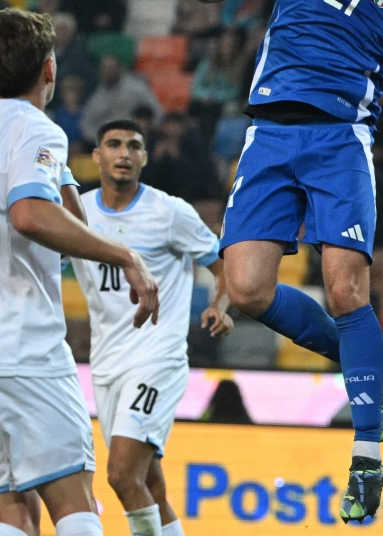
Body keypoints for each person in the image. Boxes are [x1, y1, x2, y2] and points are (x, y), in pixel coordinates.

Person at [164, 0, 383, 522]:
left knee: (346, 293)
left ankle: (367, 454)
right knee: (247, 288)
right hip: (268, 134)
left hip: (341, 139)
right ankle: (368, 360)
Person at [0, 8, 159, 536]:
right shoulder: (32, 127)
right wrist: (126, 256)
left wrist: (52, 169)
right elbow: (31, 215)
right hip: (18, 346)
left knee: (10, 513)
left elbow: (69, 215)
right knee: (74, 500)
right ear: (48, 70)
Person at [72, 118, 233, 536]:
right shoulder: (78, 213)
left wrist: (221, 304)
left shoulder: (169, 212)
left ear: (144, 157)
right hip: (106, 367)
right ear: (96, 156)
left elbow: (223, 267)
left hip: (156, 360)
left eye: (133, 146)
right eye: (113, 144)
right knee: (150, 485)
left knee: (122, 476)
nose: (123, 153)